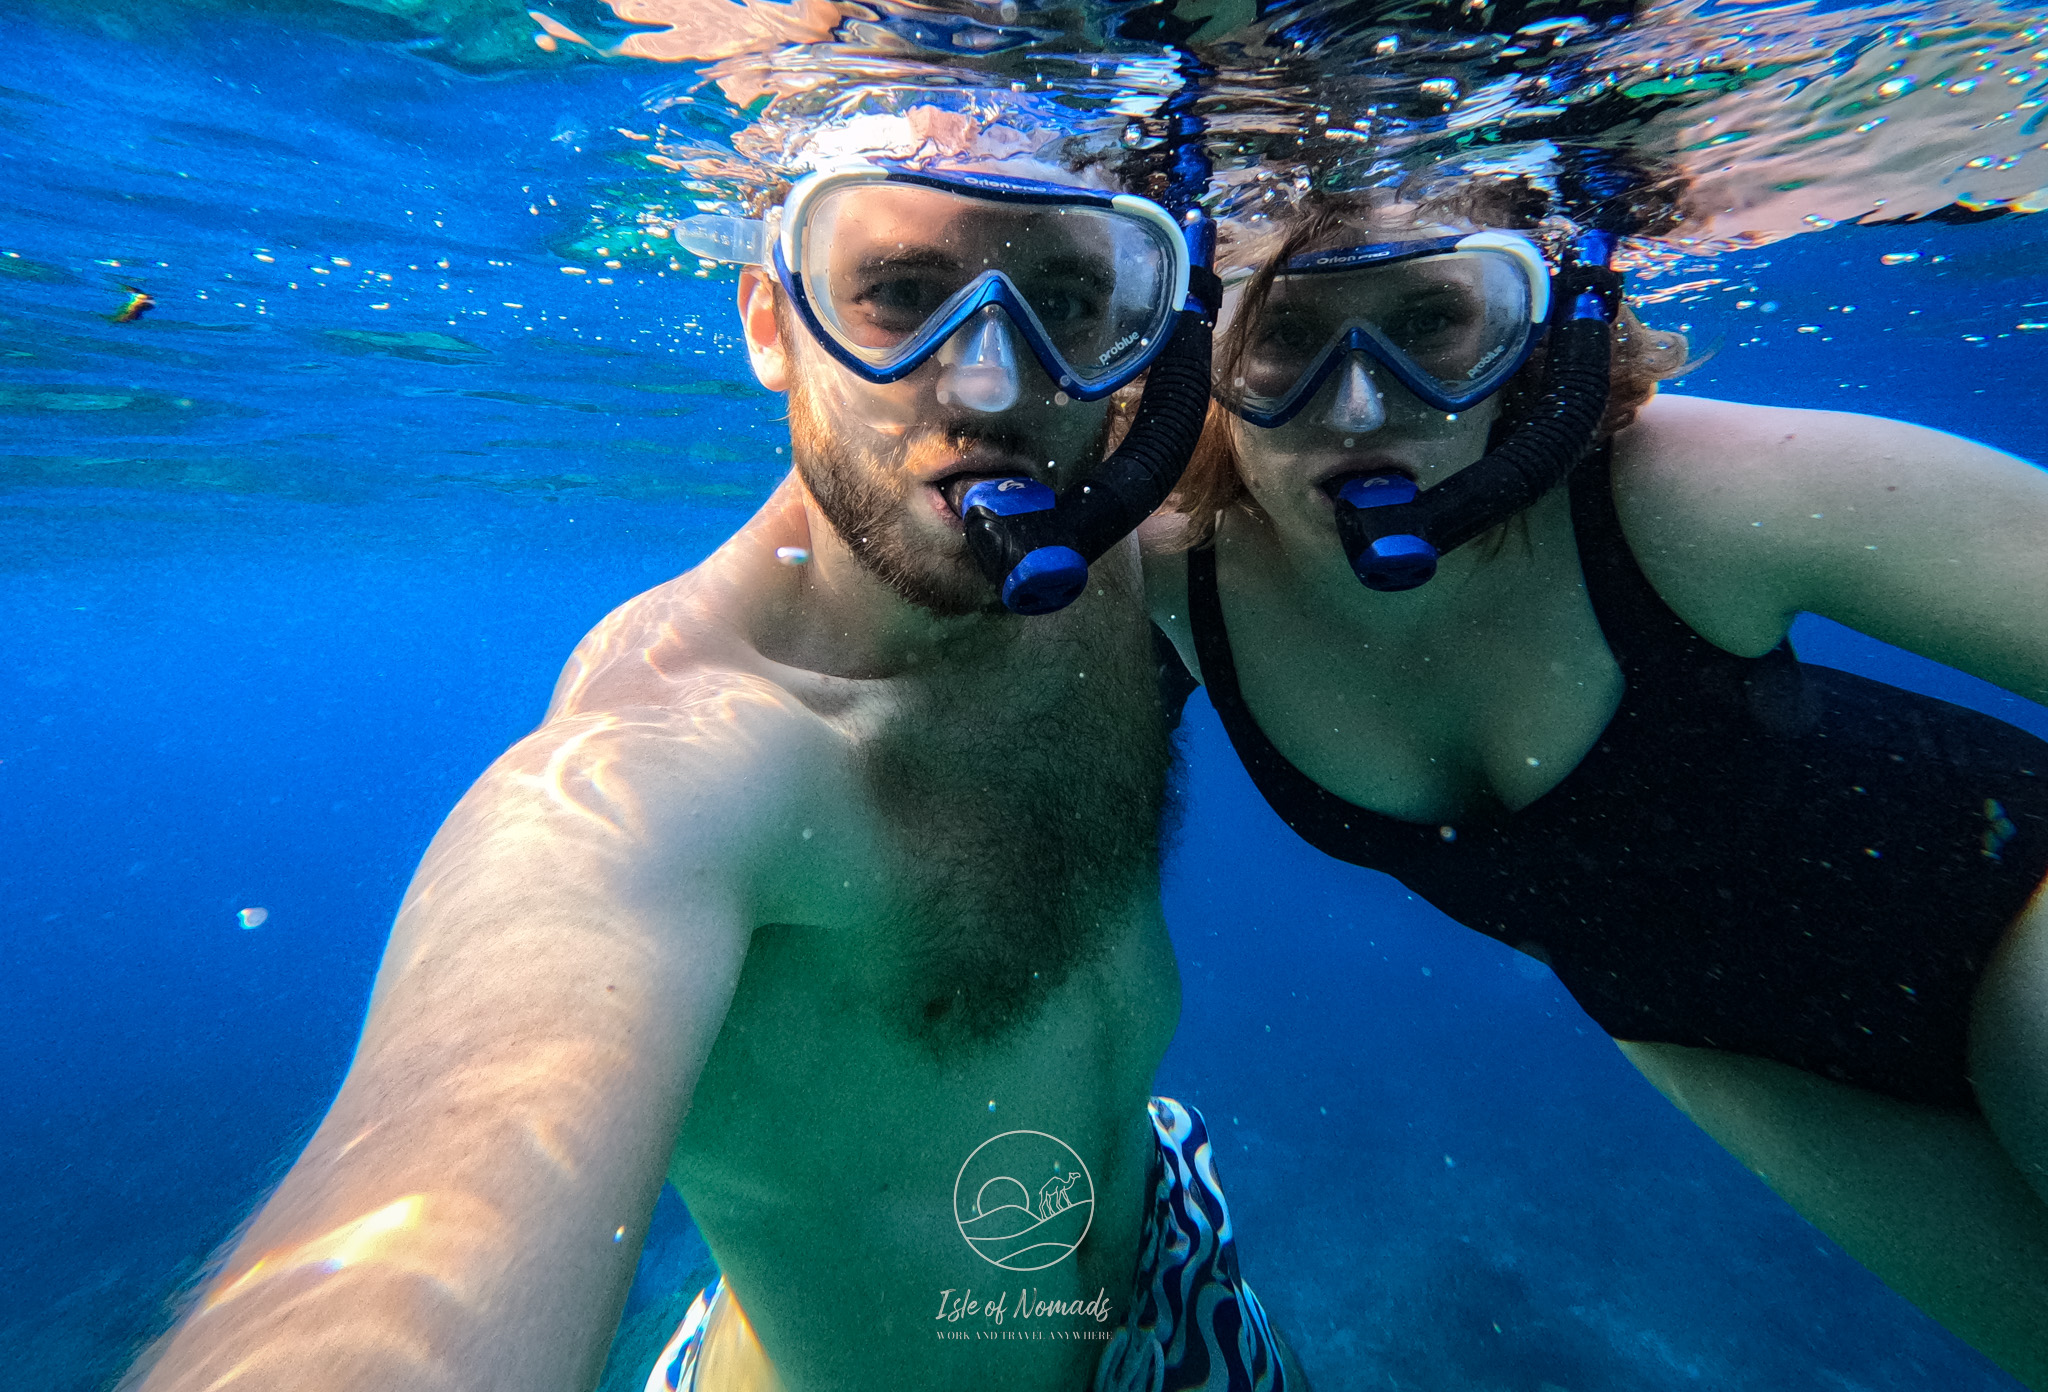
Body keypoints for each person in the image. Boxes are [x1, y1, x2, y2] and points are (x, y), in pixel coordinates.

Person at [128, 109, 1298, 1392]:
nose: (989, 382)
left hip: (1173, 1268)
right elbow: (463, 1118)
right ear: (768, 323)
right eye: (901, 294)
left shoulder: (1122, 562)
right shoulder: (668, 766)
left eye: (1064, 300)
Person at [1143, 165, 2048, 1386]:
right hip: (1707, 1044)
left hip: (2005, 902)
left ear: (1530, 336)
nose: (1356, 408)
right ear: (1198, 354)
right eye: (1285, 336)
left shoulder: (1688, 488)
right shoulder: (1163, 581)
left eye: (1426, 324)